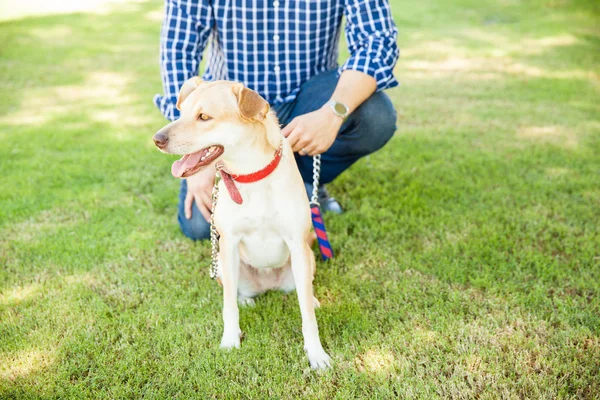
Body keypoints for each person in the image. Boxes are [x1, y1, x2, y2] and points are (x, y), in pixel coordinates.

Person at [154, 0, 399, 240]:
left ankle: (301, 182)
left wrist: (332, 112)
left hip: (309, 103)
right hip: (229, 113)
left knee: (375, 117)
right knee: (200, 225)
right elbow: (179, 49)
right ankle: (259, 179)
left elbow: (377, 42)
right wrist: (197, 155)